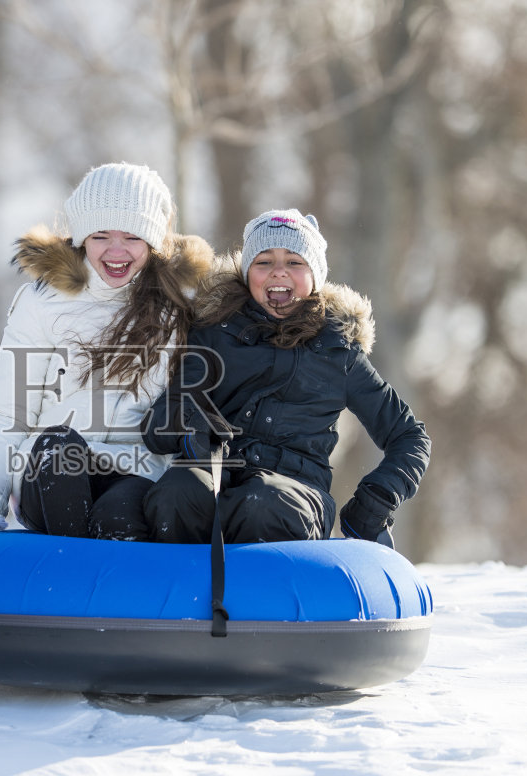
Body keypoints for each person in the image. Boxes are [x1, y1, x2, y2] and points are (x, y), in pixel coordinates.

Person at [142, 210, 430, 544]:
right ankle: (176, 591)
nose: (279, 271)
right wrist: (193, 429)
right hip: (218, 474)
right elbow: (160, 423)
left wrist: (375, 501)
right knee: (177, 492)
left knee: (262, 503)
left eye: (295, 262)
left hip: (296, 494)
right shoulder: (214, 334)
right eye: (264, 262)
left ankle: (264, 592)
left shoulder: (339, 353)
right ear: (247, 273)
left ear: (315, 276)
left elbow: (410, 437)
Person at [0, 162, 213, 539]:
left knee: (119, 519)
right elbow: (6, 410)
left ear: (154, 240)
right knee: (60, 450)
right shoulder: (44, 300)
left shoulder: (181, 306)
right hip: (48, 469)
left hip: (136, 469)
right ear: (80, 238)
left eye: (131, 236)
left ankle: (113, 583)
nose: (115, 251)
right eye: (100, 236)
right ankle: (68, 574)